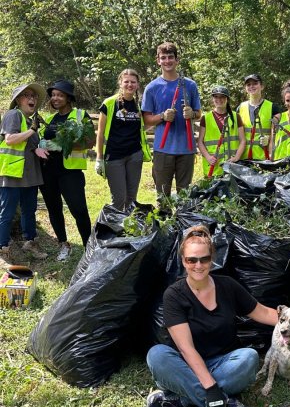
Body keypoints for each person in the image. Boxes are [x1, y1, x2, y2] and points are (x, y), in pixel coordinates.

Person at [146, 225, 278, 407]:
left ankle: (182, 399)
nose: (198, 265)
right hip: (185, 364)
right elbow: (186, 348)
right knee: (157, 355)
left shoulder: (227, 286)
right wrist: (211, 389)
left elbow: (263, 313)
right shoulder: (174, 295)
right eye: (192, 260)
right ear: (183, 261)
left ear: (212, 259)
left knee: (249, 358)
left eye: (204, 259)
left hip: (222, 364)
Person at [38, 80, 93, 261]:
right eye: (53, 95)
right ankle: (64, 244)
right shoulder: (49, 120)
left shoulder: (80, 115)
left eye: (60, 95)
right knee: (54, 209)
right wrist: (42, 145)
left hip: (70, 172)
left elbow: (90, 142)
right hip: (47, 171)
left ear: (68, 98)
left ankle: (89, 248)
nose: (55, 98)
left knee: (78, 209)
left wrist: (62, 144)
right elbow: (40, 141)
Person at [141, 42, 201, 197]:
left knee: (184, 196)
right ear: (158, 60)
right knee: (163, 197)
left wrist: (192, 114)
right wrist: (162, 116)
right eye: (163, 58)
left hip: (186, 150)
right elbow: (146, 120)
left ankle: (182, 220)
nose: (167, 61)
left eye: (170, 57)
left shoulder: (190, 85)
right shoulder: (152, 88)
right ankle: (163, 220)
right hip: (162, 150)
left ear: (176, 60)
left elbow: (199, 113)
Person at [0, 83, 49, 267]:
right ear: (18, 100)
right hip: (12, 173)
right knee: (7, 213)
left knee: (29, 211)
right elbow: (10, 139)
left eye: (34, 96)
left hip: (30, 175)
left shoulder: (31, 120)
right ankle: (2, 248)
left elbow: (28, 145)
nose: (32, 99)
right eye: (26, 95)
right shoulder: (13, 115)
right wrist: (32, 131)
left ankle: (30, 242)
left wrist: (38, 148)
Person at [95, 69, 152, 211]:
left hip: (134, 155)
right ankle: (112, 229)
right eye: (126, 81)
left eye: (133, 82)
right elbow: (100, 133)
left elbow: (141, 128)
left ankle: (127, 229)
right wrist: (99, 158)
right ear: (120, 83)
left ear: (138, 85)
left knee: (131, 198)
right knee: (119, 198)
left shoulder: (138, 105)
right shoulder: (109, 103)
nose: (130, 84)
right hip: (114, 156)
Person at [197, 86, 245, 178]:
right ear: (213, 99)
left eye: (222, 97)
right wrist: (208, 157)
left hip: (232, 166)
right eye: (216, 97)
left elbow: (242, 140)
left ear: (227, 99)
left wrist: (236, 157)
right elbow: (200, 142)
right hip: (213, 167)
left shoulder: (236, 116)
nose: (219, 99)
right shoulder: (206, 118)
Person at [237, 74, 280, 161]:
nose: (251, 86)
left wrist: (269, 139)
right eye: (248, 84)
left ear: (262, 86)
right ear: (245, 88)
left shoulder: (272, 107)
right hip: (244, 159)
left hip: (264, 158)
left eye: (255, 83)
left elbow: (278, 133)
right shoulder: (240, 108)